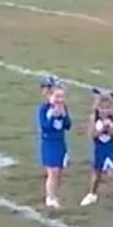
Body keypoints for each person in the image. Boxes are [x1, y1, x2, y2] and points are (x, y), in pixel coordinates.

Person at [80, 88, 113, 210]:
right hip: (99, 148)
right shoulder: (94, 119)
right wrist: (101, 129)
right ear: (97, 108)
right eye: (102, 108)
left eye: (108, 108)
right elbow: (92, 135)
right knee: (97, 174)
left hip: (110, 148)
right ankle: (92, 194)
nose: (105, 111)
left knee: (112, 173)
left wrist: (109, 128)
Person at [38, 79, 72, 209]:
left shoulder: (63, 108)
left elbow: (68, 126)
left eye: (62, 96)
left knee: (59, 172)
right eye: (57, 96)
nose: (60, 99)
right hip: (49, 144)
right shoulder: (44, 110)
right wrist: (52, 116)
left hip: (60, 144)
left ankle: (55, 195)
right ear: (49, 96)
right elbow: (45, 127)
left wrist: (63, 116)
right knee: (52, 172)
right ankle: (50, 197)